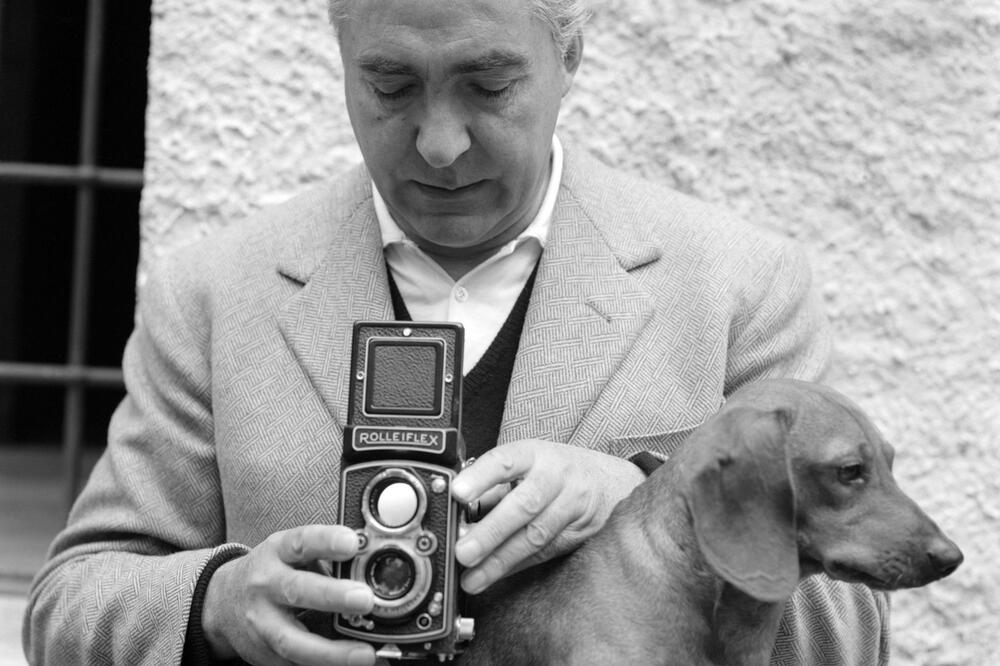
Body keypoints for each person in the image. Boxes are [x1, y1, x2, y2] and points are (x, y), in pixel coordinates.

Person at [23, 0, 888, 664]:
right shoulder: (211, 295)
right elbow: (69, 605)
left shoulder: (743, 285)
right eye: (391, 87)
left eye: (488, 85)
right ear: (341, 62)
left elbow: (844, 637)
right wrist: (215, 603)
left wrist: (651, 505)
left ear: (570, 59)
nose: (438, 144)